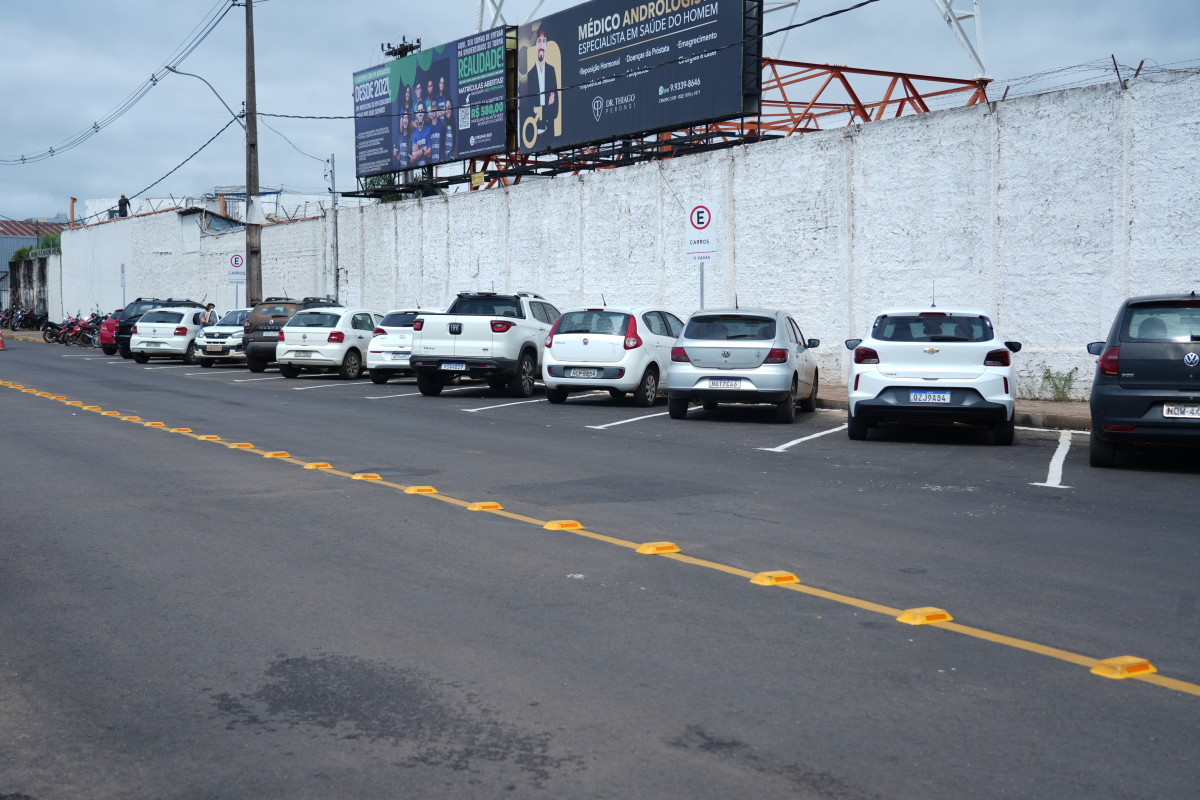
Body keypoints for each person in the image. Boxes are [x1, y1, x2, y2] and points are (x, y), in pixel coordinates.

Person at [526, 26, 558, 138]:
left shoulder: (551, 71)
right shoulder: (530, 75)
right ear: (536, 45)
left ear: (546, 45)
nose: (541, 45)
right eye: (539, 41)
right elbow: (528, 110)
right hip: (532, 134)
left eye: (544, 41)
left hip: (550, 135)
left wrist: (538, 110)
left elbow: (555, 110)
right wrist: (547, 107)